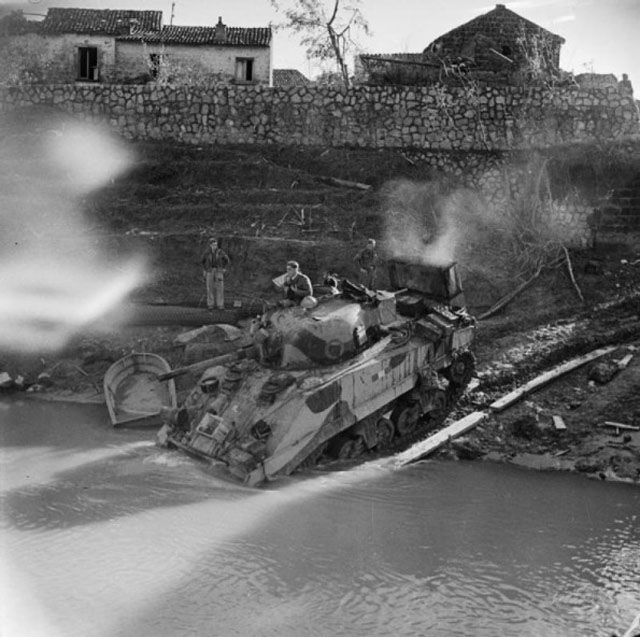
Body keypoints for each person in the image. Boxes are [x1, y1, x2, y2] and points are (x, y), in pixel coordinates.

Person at [200, 237, 230, 310]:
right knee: (210, 287)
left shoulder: (220, 252)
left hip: (218, 270)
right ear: (210, 245)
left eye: (216, 245)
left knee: (220, 287)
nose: (215, 246)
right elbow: (202, 261)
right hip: (210, 270)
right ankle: (210, 304)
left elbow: (227, 260)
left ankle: (220, 304)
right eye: (213, 245)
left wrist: (223, 268)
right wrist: (205, 270)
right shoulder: (207, 252)